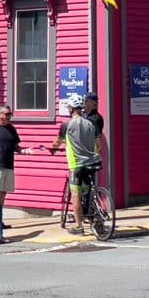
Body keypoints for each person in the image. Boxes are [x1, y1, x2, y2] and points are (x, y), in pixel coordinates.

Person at [49, 98, 102, 235]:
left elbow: (57, 143)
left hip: (76, 165)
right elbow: (99, 145)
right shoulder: (91, 123)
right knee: (90, 190)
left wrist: (52, 148)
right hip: (93, 162)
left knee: (76, 195)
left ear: (71, 109)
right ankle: (94, 217)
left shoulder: (66, 125)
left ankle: (79, 226)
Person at [0, 105, 35, 228]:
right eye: (6, 114)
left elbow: (16, 147)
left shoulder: (11, 129)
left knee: (3, 194)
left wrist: (25, 151)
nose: (9, 116)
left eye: (10, 114)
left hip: (9, 165)